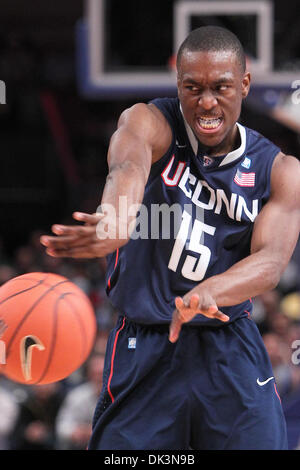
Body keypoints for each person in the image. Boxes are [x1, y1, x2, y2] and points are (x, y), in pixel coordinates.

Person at [40, 26, 300, 450]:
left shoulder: (280, 170)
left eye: (221, 87)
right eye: (192, 87)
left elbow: (270, 262)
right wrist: (115, 220)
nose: (207, 102)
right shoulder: (148, 122)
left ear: (245, 85)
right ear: (177, 84)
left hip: (228, 346)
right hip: (144, 344)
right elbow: (126, 168)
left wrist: (209, 291)